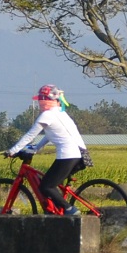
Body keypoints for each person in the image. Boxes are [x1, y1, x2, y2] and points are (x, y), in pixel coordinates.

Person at [8, 85, 87, 213]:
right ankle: (53, 211)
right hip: (79, 154)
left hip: (67, 155)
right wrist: (36, 148)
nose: (39, 103)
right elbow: (50, 135)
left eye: (40, 100)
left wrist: (13, 150)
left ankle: (70, 209)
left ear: (45, 100)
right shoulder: (61, 113)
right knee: (51, 184)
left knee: (46, 186)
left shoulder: (47, 115)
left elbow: (30, 135)